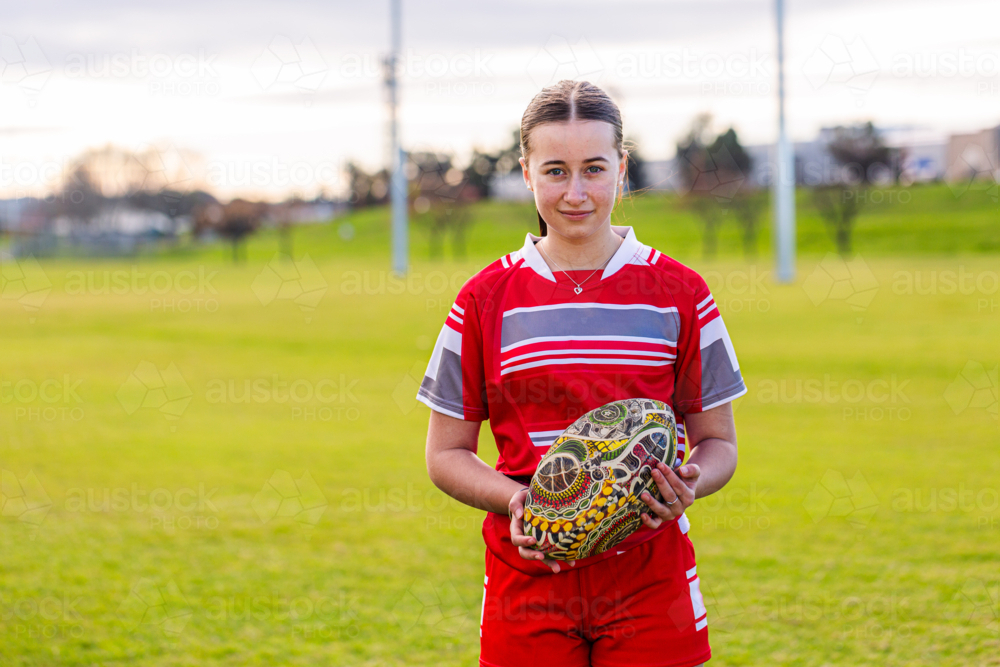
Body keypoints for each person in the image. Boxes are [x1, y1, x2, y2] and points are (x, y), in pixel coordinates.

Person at [418, 79, 746, 667]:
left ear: (621, 168)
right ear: (525, 173)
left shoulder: (681, 293)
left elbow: (717, 441)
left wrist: (688, 485)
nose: (576, 193)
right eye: (555, 171)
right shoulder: (483, 299)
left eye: (594, 169)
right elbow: (445, 455)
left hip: (650, 576)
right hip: (529, 575)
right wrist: (520, 503)